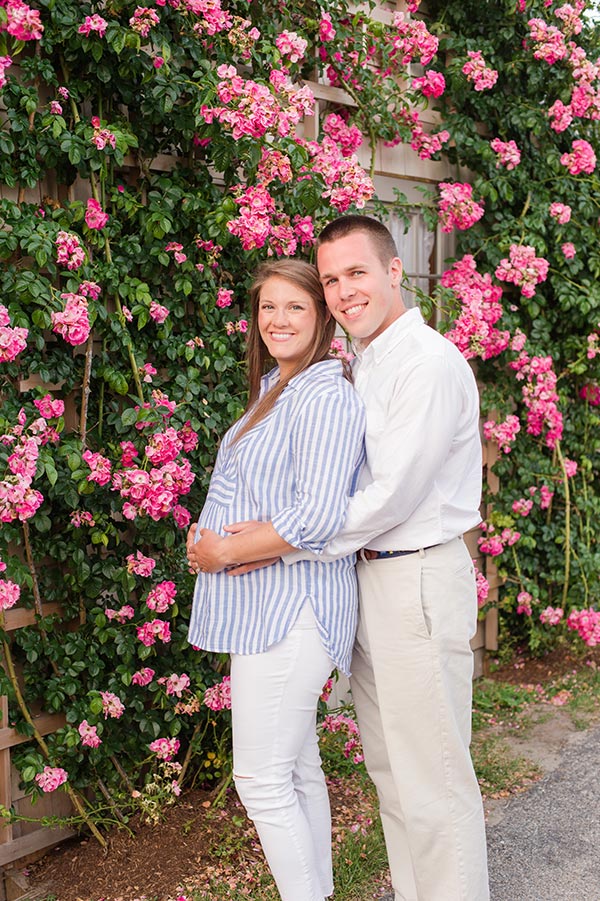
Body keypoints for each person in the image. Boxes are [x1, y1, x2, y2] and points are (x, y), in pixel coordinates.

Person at [218, 215, 490, 901]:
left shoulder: (426, 362)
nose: (343, 290)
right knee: (395, 780)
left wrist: (274, 541)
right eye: (332, 278)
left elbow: (389, 495)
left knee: (433, 783)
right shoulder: (365, 361)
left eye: (356, 272)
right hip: (373, 577)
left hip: (416, 573)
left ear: (395, 271)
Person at [186, 258, 366, 901]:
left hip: (294, 611)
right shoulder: (277, 388)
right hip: (267, 608)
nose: (278, 319)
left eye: (295, 306)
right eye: (267, 306)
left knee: (260, 778)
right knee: (296, 771)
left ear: (321, 316)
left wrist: (227, 552)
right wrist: (206, 541)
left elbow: (318, 512)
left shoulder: (321, 393)